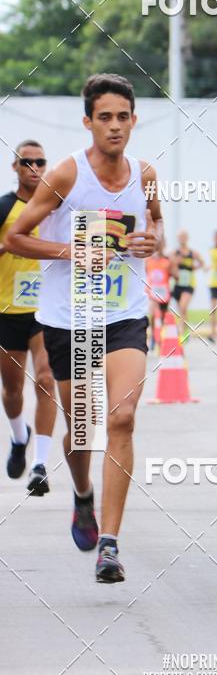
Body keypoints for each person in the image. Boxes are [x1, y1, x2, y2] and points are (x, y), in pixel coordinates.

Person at [6, 73, 161, 583]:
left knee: (122, 417)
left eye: (123, 117)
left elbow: (154, 222)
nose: (115, 127)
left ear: (134, 120)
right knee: (84, 427)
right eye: (105, 118)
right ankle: (82, 495)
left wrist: (148, 241)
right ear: (88, 122)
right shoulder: (66, 176)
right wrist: (72, 251)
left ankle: (111, 545)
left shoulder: (146, 173)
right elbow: (15, 238)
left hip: (123, 315)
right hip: (67, 320)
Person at [0, 140, 57, 495]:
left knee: (47, 379)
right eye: (27, 161)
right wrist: (8, 244)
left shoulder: (54, 206)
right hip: (7, 309)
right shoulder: (5, 207)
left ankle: (40, 464)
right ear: (16, 167)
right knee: (12, 389)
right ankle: (19, 437)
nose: (34, 166)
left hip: (45, 309)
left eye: (40, 161)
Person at [170, 230, 203, 343]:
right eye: (180, 237)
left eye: (184, 237)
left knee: (183, 307)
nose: (182, 239)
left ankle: (181, 333)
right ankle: (186, 332)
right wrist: (176, 264)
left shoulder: (193, 253)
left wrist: (194, 267)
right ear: (178, 239)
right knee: (182, 310)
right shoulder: (175, 252)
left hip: (189, 284)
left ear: (187, 238)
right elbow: (170, 266)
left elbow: (202, 263)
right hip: (178, 284)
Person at [146, 240, 177, 352]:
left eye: (161, 245)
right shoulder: (148, 260)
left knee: (163, 317)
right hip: (152, 291)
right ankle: (154, 338)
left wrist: (173, 268)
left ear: (164, 246)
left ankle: (161, 339)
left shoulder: (167, 260)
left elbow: (176, 275)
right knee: (153, 314)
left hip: (164, 292)